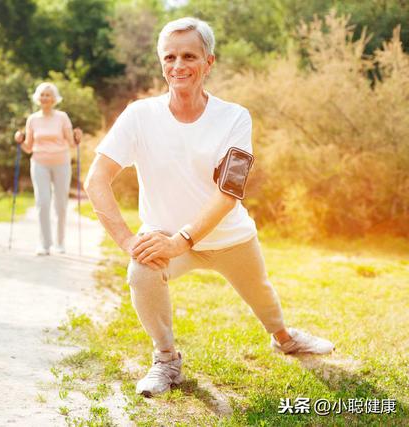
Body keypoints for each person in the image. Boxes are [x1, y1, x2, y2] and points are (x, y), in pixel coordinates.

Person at [84, 17, 335, 398]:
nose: (178, 65)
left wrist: (183, 240)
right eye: (169, 57)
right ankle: (166, 360)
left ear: (209, 62)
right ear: (161, 63)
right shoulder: (139, 115)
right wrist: (126, 240)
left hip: (228, 236)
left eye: (189, 55)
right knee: (141, 270)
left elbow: (230, 191)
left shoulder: (234, 117)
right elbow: (96, 178)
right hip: (164, 237)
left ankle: (284, 339)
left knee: (262, 296)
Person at [14, 82, 82, 255]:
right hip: (39, 163)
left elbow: (72, 144)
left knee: (60, 204)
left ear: (54, 99)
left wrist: (77, 137)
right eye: (42, 94)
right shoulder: (33, 119)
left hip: (61, 163)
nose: (45, 97)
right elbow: (28, 148)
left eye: (48, 95)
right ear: (38, 98)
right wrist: (20, 141)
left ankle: (60, 243)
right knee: (42, 203)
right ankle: (44, 244)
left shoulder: (62, 117)